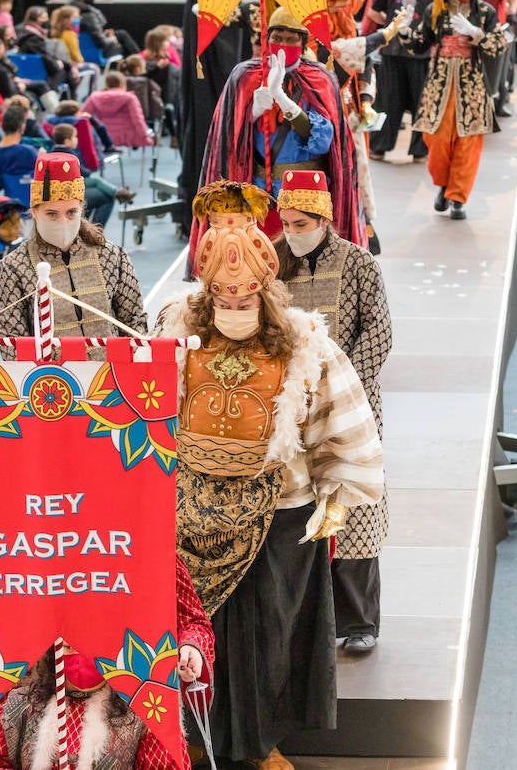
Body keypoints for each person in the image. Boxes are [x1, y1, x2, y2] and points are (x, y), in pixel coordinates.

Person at [154, 204, 384, 770]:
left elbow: (343, 421)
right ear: (207, 298)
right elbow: (145, 414)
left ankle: (257, 747)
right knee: (200, 637)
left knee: (268, 641)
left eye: (246, 301)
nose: (234, 312)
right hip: (191, 515)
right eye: (224, 304)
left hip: (280, 513)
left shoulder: (308, 346)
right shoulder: (174, 335)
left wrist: (337, 496)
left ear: (267, 293)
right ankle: (191, 741)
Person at [271, 172, 392, 653]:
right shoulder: (274, 264)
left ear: (323, 220)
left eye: (300, 223)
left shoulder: (359, 263)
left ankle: (359, 622)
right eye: (284, 223)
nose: (290, 232)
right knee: (297, 507)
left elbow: (378, 333)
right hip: (289, 408)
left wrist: (339, 387)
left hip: (351, 406)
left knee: (353, 508)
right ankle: (305, 624)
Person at [0, 556, 213, 770]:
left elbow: (192, 619)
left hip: (125, 682)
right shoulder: (14, 704)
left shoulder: (147, 543)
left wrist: (190, 644)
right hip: (42, 681)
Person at [199, 6, 362, 255]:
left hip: (306, 191)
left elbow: (323, 141)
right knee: (260, 261)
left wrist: (283, 100)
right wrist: (251, 112)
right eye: (277, 37)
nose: (283, 44)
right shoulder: (244, 75)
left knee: (304, 262)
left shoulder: (319, 78)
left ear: (303, 41)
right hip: (258, 190)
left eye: (291, 39)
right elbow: (226, 137)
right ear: (267, 38)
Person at [0, 154, 146, 355]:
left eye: (71, 212)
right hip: (49, 383)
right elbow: (11, 346)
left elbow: (135, 323)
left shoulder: (113, 256)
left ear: (82, 209)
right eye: (52, 214)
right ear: (35, 212)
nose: (63, 221)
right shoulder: (11, 270)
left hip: (112, 377)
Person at [404, 0, 509, 220]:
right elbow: (419, 46)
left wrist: (477, 34)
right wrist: (403, 31)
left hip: (471, 87)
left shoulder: (484, 12)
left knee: (468, 143)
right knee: (436, 140)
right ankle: (442, 184)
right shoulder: (434, 12)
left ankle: (458, 198)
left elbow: (499, 46)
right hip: (439, 86)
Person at [367, 0, 437, 163]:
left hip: (391, 50)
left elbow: (372, 13)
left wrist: (389, 26)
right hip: (419, 53)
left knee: (388, 100)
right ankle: (419, 151)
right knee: (420, 102)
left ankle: (379, 147)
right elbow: (434, 21)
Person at [81, 71, 153, 148]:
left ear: (107, 84)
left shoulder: (94, 97)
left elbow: (82, 117)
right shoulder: (130, 98)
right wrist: (144, 136)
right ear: (123, 83)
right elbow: (137, 119)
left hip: (102, 137)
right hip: (127, 135)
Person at [0, 103, 38, 195]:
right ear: (22, 127)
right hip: (28, 203)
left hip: (2, 205)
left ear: (1, 125)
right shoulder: (28, 152)